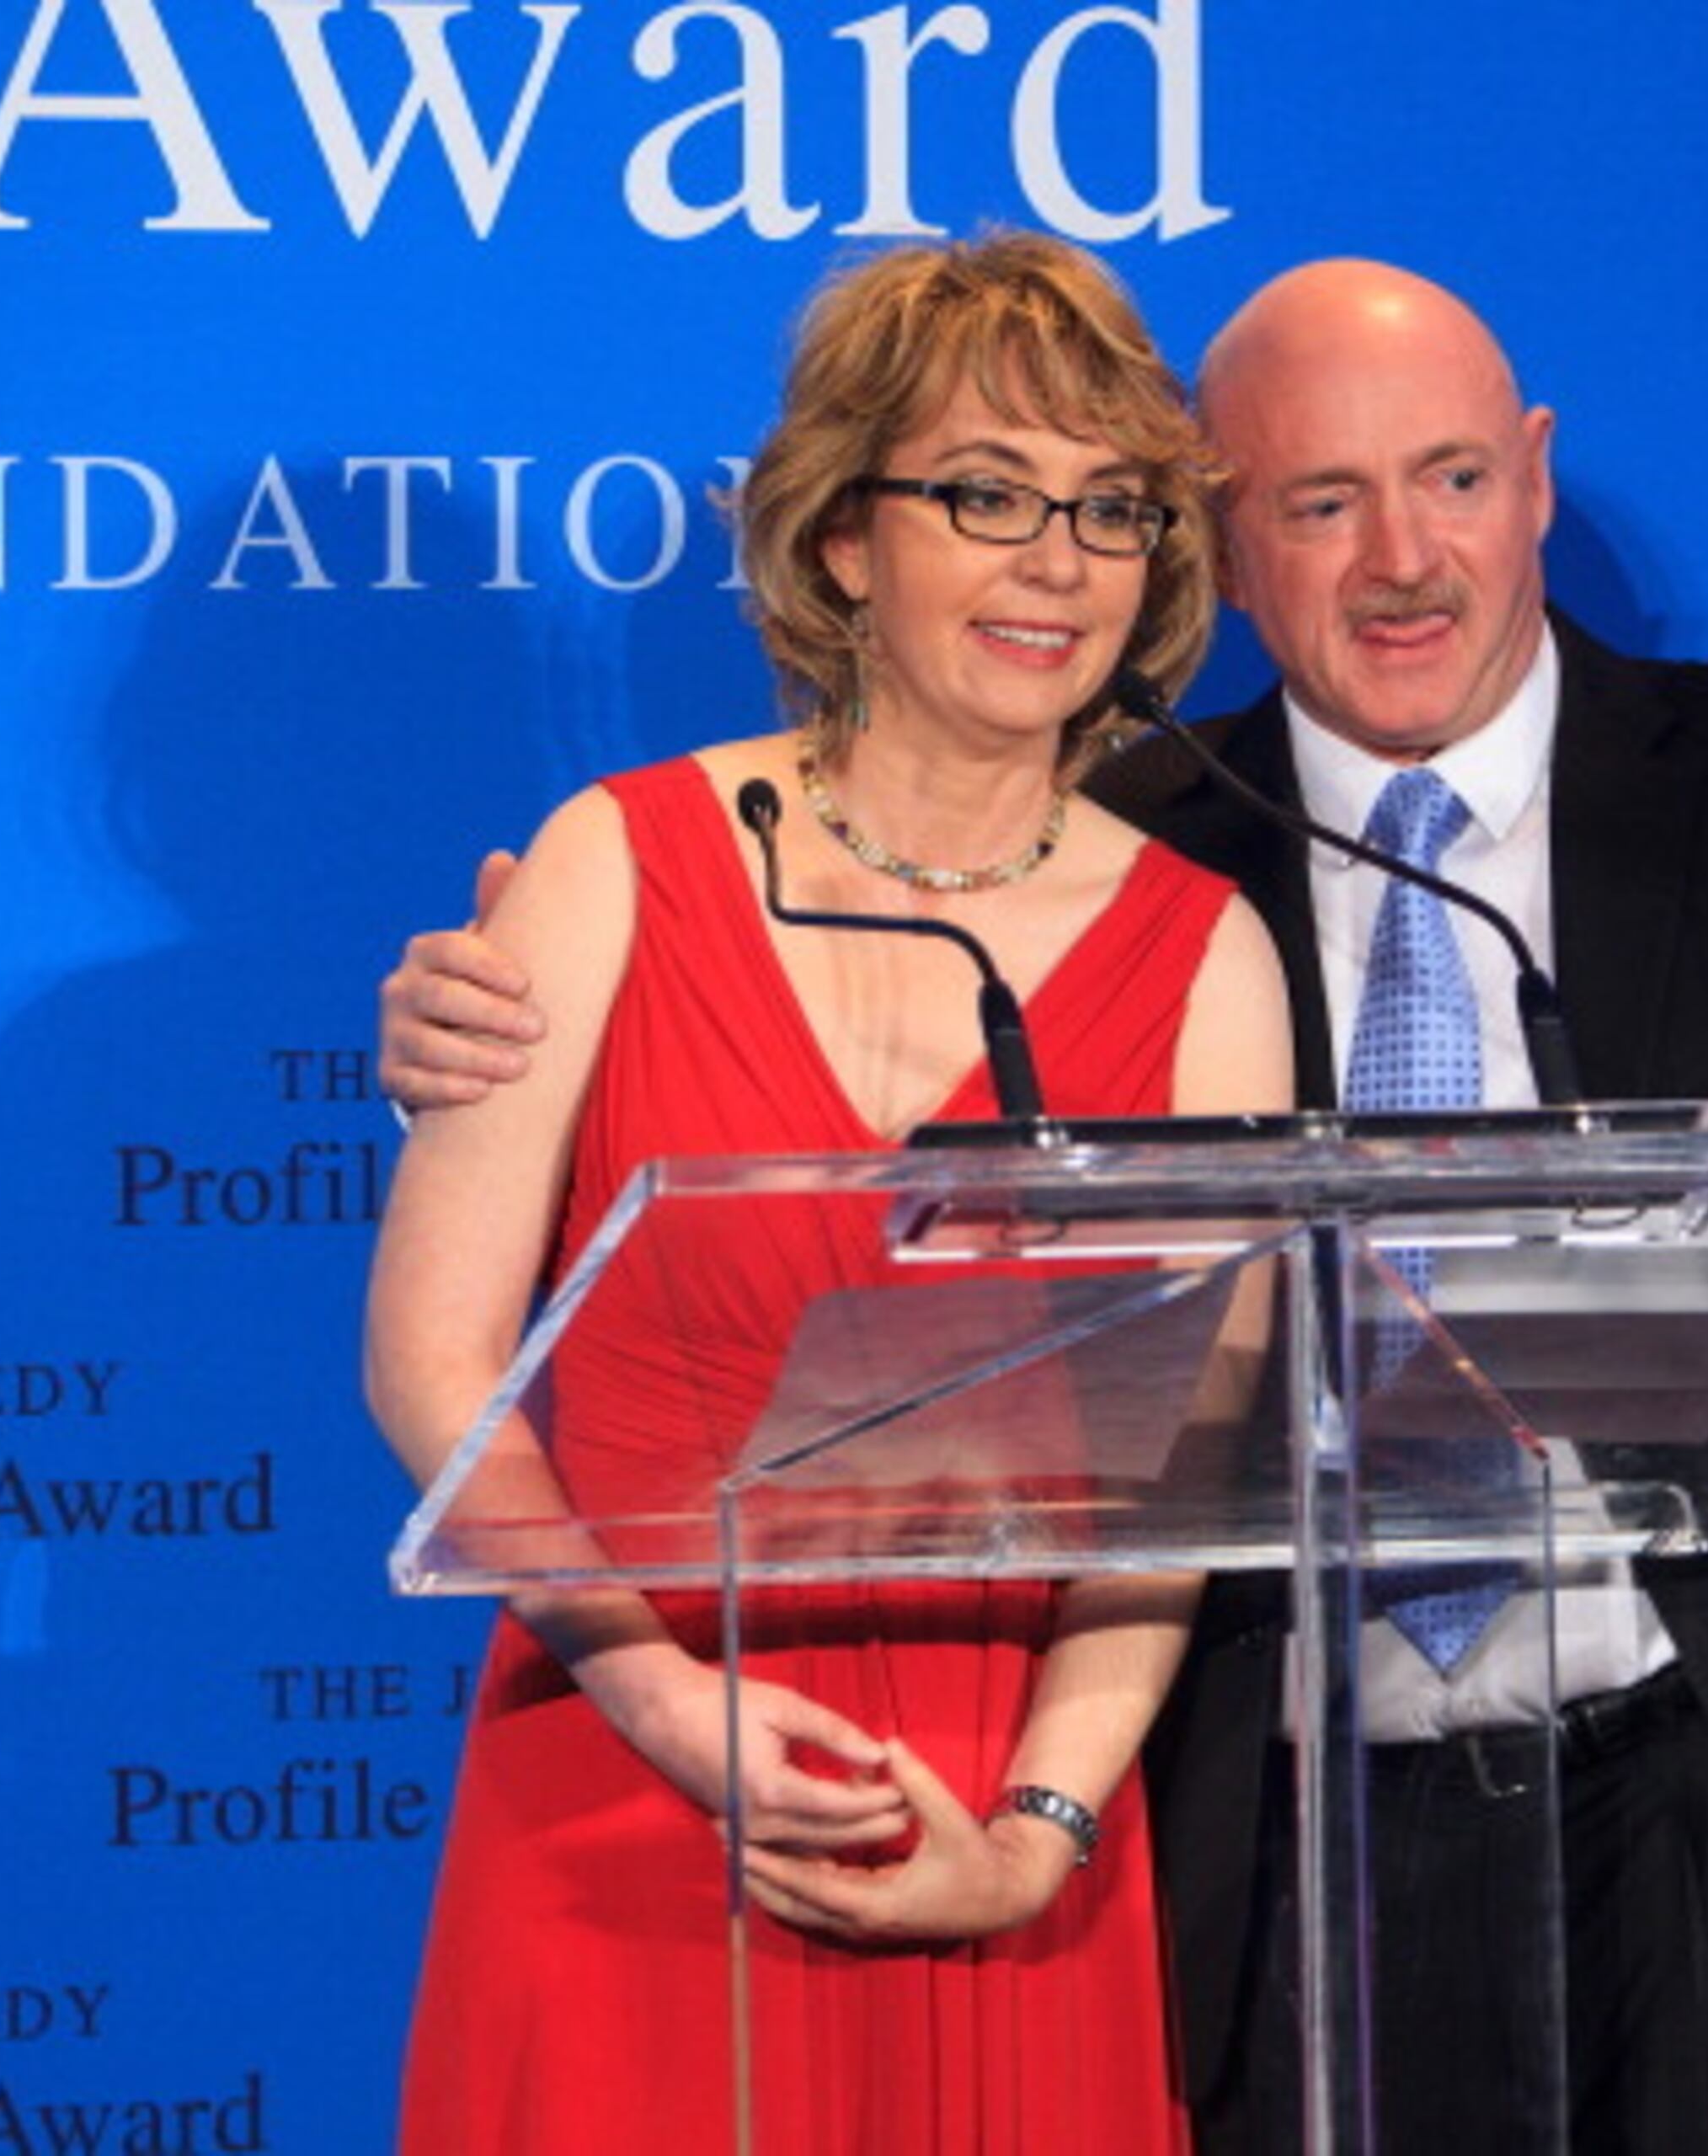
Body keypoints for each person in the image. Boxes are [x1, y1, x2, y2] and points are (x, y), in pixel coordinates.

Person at [382, 257, 1708, 2153]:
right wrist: (482, 1013)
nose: (1404, 561)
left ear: (1539, 478)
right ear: (1223, 532)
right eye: (1319, 504)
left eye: (1454, 479)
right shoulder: (1118, 845)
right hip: (1277, 1827)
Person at [363, 232, 1291, 2155]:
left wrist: (1038, 1831)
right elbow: (432, 1370)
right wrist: (668, 1707)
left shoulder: (1210, 955)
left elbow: (1189, 1478)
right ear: (845, 537)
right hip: (636, 1778)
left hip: (1012, 1833)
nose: (1058, 561)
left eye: (1111, 509)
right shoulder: (613, 864)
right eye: (987, 493)